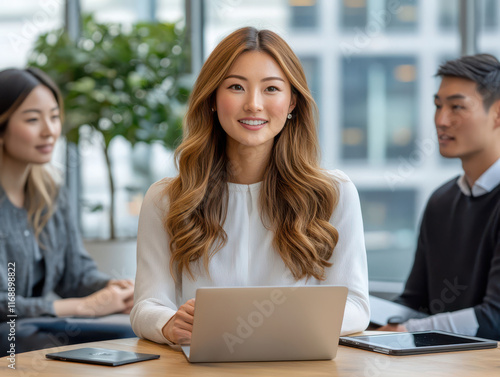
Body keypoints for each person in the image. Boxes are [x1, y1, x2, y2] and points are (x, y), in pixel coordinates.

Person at [130, 27, 370, 345]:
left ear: (292, 102)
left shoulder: (333, 193)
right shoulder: (166, 198)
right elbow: (146, 305)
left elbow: (356, 307)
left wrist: (268, 324)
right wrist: (169, 322)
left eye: (271, 89)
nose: (254, 104)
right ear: (213, 99)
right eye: (236, 87)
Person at [0, 67, 135, 353]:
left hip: (31, 326)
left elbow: (76, 276)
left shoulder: (51, 193)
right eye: (33, 119)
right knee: (25, 340)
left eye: (54, 116)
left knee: (129, 333)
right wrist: (80, 307)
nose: (50, 131)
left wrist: (114, 289)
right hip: (11, 331)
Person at [379, 54, 500, 340]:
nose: (441, 120)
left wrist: (407, 329)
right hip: (439, 364)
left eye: (457, 107)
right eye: (437, 106)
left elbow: (495, 318)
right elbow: (415, 302)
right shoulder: (441, 200)